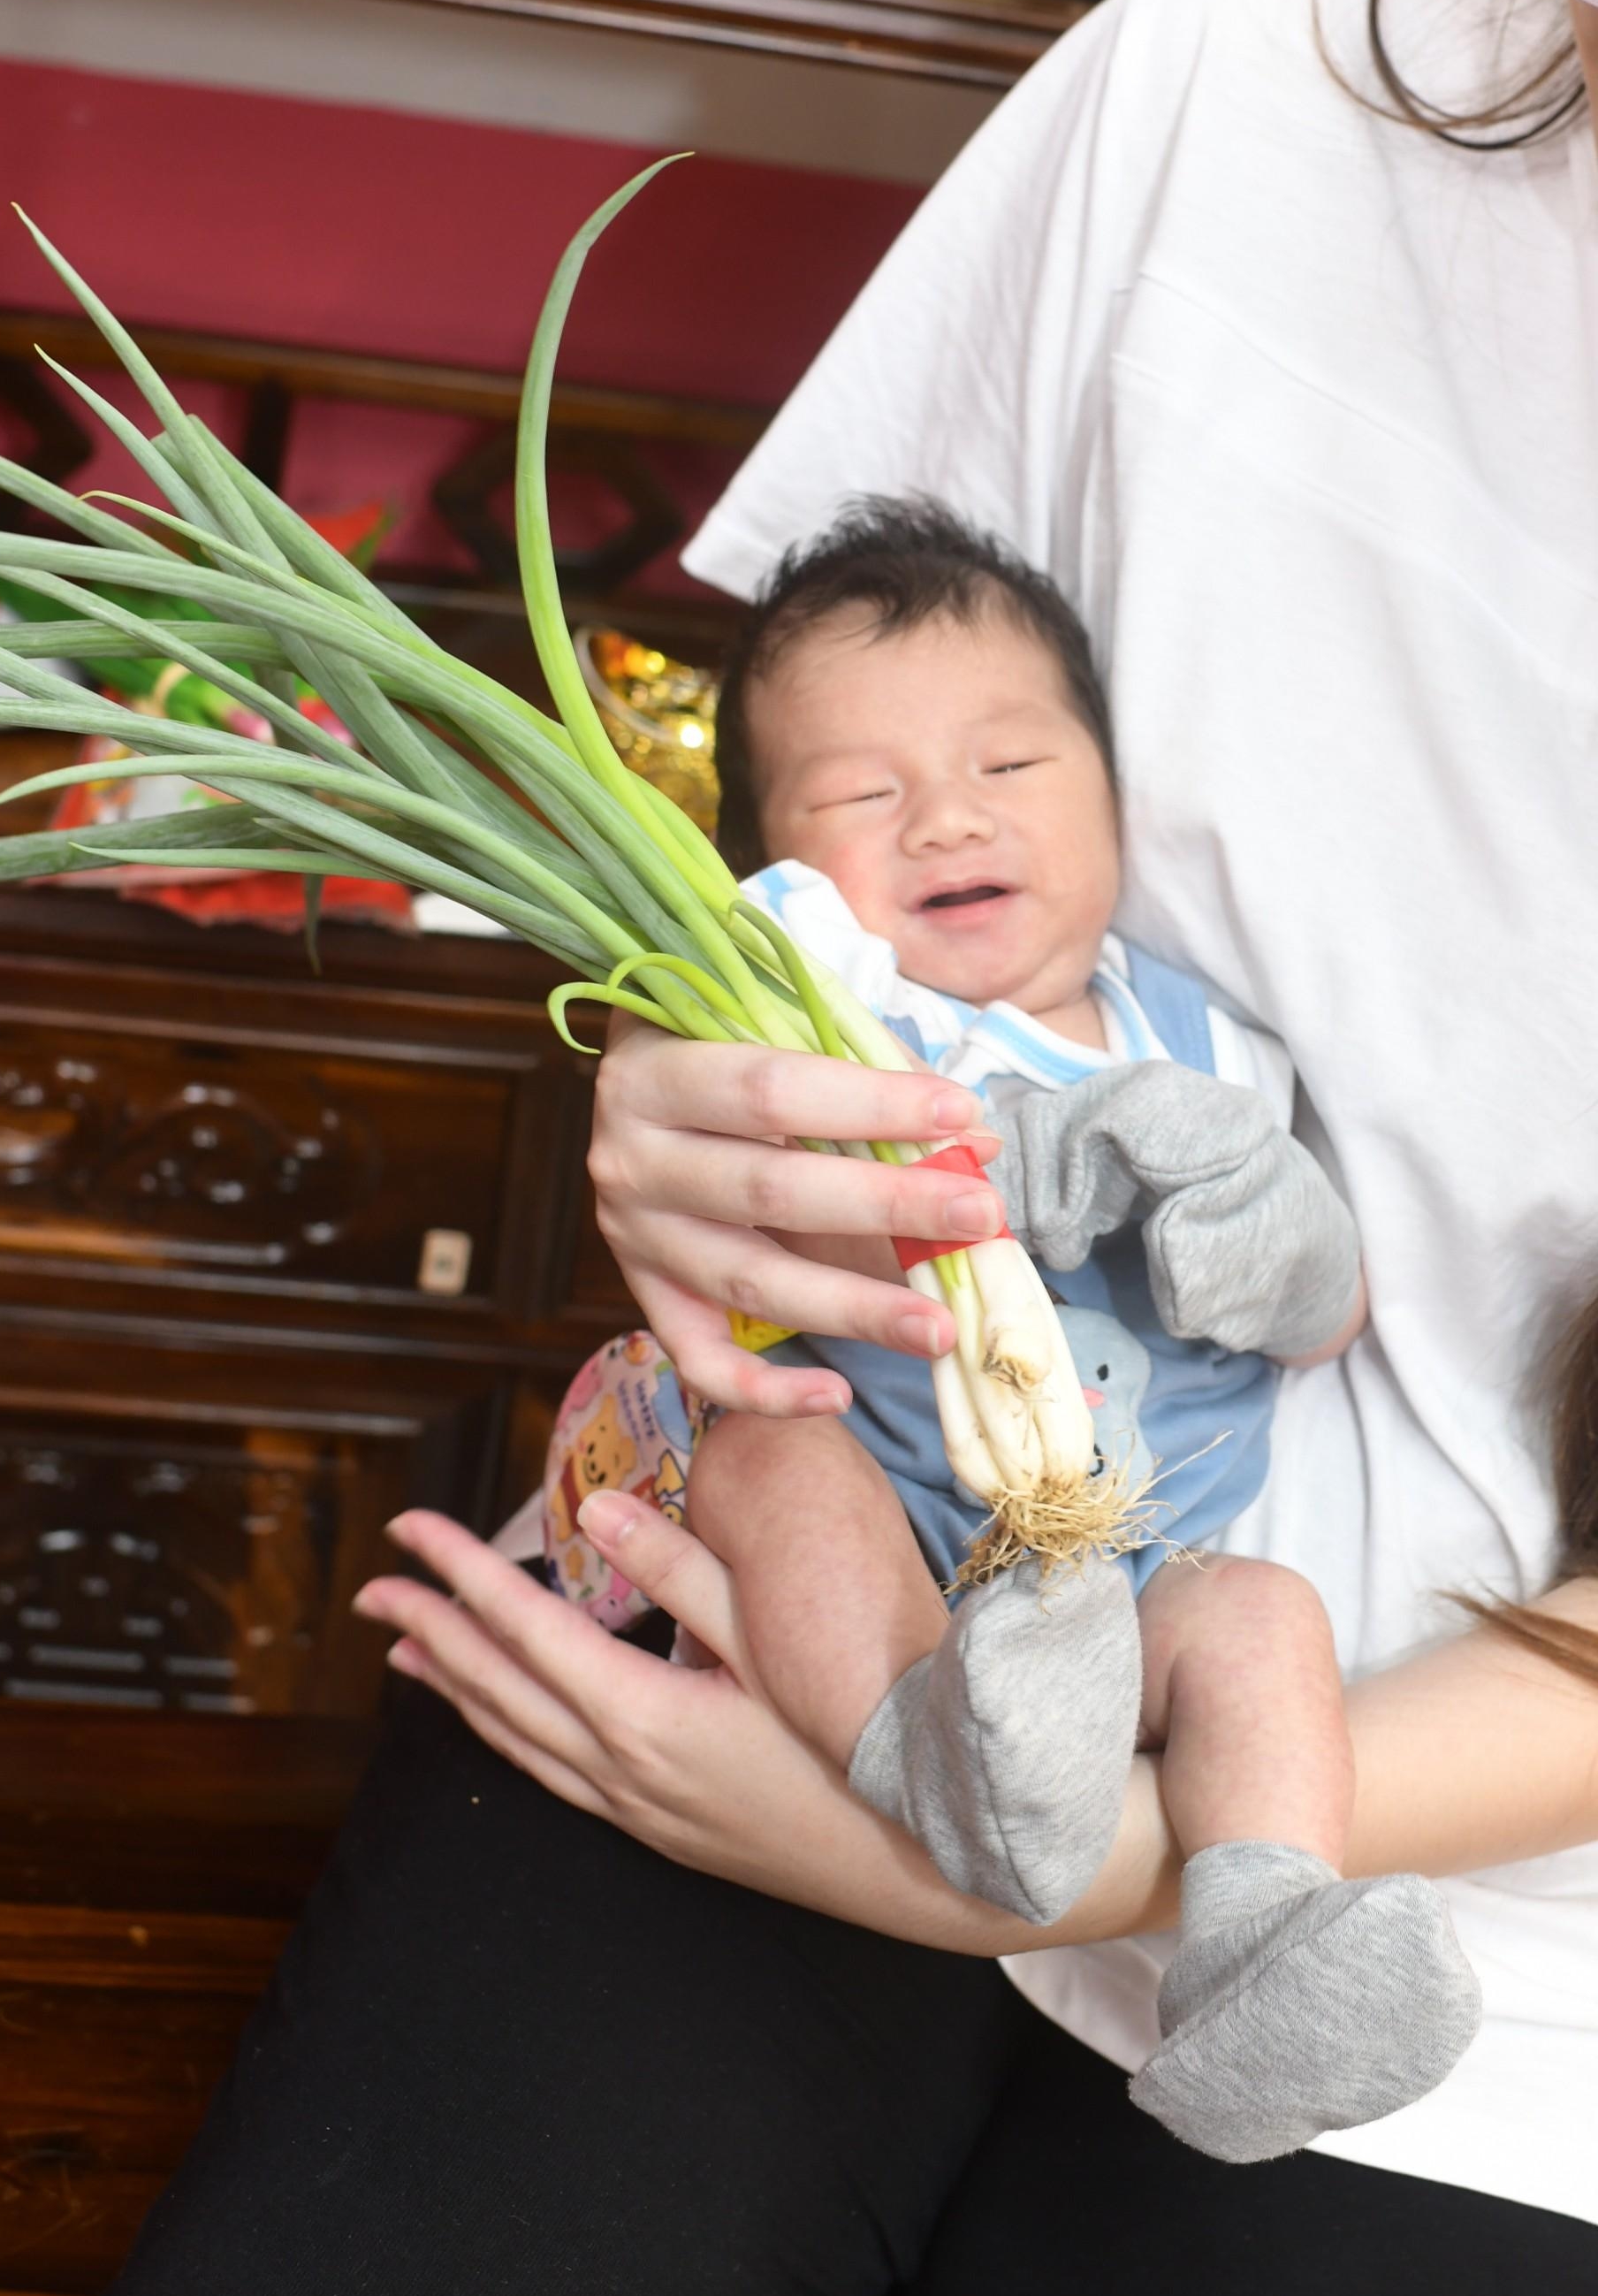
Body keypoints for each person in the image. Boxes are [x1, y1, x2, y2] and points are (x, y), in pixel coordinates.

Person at [0, 0, 1598, 2296]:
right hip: (788, 1631)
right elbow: (766, 843)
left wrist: (1065, 1866)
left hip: (1456, 1913)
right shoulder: (1243, 92)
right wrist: (698, 1107)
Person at [546, 493, 1479, 2165]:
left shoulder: (1211, 1044)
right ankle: (935, 1750)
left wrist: (1254, 1219)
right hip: (901, 1530)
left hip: (1131, 1570)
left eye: (1011, 763)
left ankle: (1265, 1945)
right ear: (772, 862)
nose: (947, 816)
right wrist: (977, 1162)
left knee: (1263, 1622)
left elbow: (1323, 1316)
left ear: (1115, 793)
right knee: (771, 1462)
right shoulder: (830, 1023)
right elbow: (764, 1220)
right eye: (863, 792)